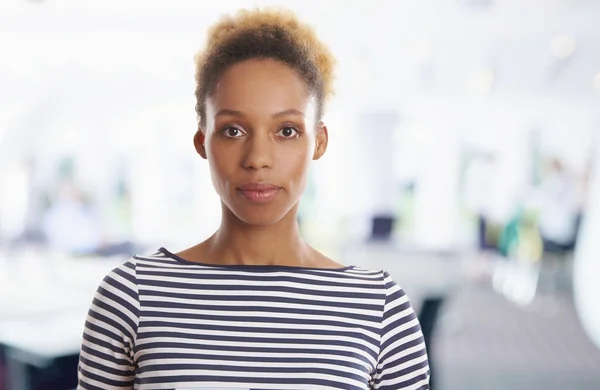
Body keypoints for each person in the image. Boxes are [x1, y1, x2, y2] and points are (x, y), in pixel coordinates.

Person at [77, 8, 430, 390]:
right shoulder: (133, 295)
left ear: (320, 142)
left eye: (287, 131)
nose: (258, 158)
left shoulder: (379, 308)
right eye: (233, 130)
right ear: (202, 142)